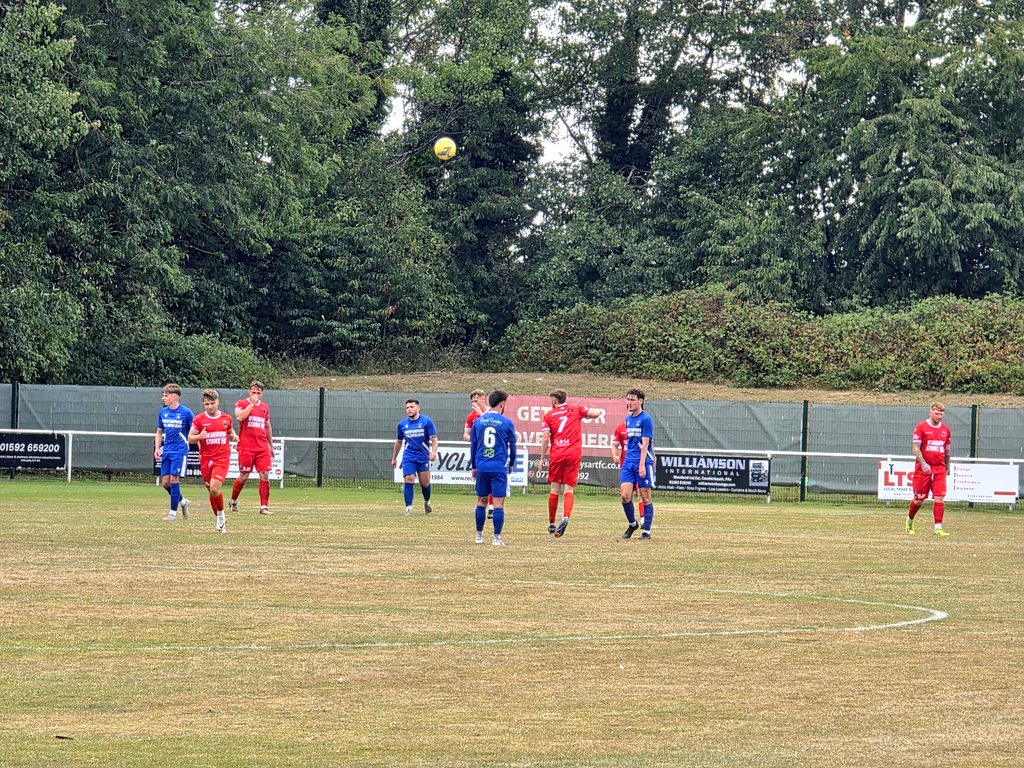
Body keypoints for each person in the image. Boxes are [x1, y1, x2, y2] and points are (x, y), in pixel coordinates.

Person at [537, 389, 605, 537]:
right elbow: (596, 413)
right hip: (573, 454)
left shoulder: (549, 415)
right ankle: (566, 516)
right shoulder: (576, 409)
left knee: (555, 489)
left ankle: (551, 523)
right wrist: (594, 414)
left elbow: (545, 438)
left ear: (554, 401)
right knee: (568, 490)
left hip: (557, 454)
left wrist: (542, 458)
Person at [469, 390, 517, 546]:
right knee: (497, 504)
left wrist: (474, 466)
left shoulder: (479, 421)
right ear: (502, 404)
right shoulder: (507, 423)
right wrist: (511, 464)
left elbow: (473, 446)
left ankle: (479, 536)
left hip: (482, 466)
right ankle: (496, 538)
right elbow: (513, 447)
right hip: (498, 467)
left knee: (481, 502)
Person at [188, 389, 238, 534]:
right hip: (206, 458)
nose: (209, 406)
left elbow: (230, 431)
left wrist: (234, 436)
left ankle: (220, 517)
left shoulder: (226, 418)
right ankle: (219, 516)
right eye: (206, 404)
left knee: (215, 488)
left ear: (218, 402)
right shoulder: (199, 419)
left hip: (222, 457)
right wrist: (199, 437)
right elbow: (190, 437)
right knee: (211, 491)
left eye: (212, 403)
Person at [230, 380, 275, 515]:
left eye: (258, 393)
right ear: (249, 392)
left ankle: (263, 507)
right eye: (253, 392)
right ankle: (233, 500)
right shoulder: (242, 403)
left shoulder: (265, 407)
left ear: (262, 393)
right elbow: (240, 417)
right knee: (244, 476)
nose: (255, 395)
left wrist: (271, 445)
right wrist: (251, 405)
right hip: (246, 446)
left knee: (265, 475)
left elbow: (267, 426)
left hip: (262, 447)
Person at [907, 401, 952, 536]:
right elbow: (915, 448)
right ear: (930, 412)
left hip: (939, 468)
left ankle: (938, 528)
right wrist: (923, 463)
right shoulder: (921, 427)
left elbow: (947, 451)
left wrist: (947, 468)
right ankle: (909, 520)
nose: (940, 416)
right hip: (923, 469)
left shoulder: (946, 430)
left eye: (942, 414)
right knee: (919, 498)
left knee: (939, 497)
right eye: (937, 413)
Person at [154, 383, 194, 522]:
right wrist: (157, 448)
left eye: (166, 395)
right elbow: (159, 432)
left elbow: (194, 430)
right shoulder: (163, 412)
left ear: (174, 397)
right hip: (167, 451)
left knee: (174, 479)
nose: (163, 397)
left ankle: (172, 513)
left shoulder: (186, 413)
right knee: (165, 483)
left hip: (180, 451)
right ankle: (182, 501)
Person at [391, 398, 438, 515]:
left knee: (425, 483)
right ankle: (408, 508)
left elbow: (434, 439)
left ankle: (427, 502)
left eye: (411, 407)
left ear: (418, 408)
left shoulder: (427, 421)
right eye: (407, 408)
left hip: (423, 457)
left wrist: (433, 451)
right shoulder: (402, 424)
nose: (409, 409)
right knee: (409, 478)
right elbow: (398, 441)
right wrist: (394, 458)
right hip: (409, 456)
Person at [620, 388, 655, 540]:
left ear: (640, 401)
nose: (629, 402)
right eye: (628, 399)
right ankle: (633, 523)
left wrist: (643, 465)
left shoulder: (646, 419)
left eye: (632, 400)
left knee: (645, 496)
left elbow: (645, 444)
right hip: (629, 461)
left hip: (643, 461)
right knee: (625, 496)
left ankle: (646, 531)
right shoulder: (628, 419)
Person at [463, 388, 494, 517]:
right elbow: (465, 435)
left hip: (493, 450)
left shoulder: (492, 413)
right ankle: (481, 505)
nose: (475, 402)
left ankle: (492, 506)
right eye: (473, 400)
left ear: (484, 399)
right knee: (481, 478)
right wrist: (476, 440)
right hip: (479, 451)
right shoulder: (471, 416)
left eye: (477, 399)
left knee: (493, 476)